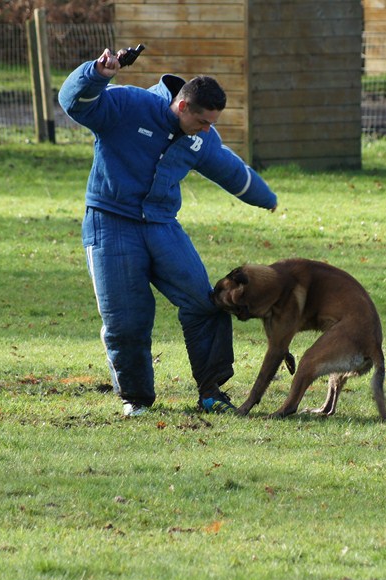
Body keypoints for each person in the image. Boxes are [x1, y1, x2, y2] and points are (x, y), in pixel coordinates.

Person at [58, 48, 278, 417]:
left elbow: (230, 170)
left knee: (208, 301)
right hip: (110, 221)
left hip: (161, 225)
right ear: (182, 107)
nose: (209, 130)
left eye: (213, 123)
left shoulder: (201, 136)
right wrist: (96, 74)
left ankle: (211, 392)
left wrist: (265, 198)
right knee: (126, 318)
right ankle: (136, 399)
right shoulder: (128, 105)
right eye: (204, 121)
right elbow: (74, 104)